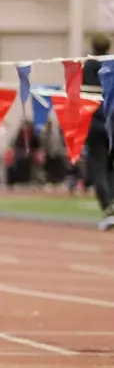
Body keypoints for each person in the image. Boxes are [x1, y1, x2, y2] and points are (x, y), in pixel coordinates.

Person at [83, 34, 113, 231]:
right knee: (111, 168)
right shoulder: (111, 65)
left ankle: (109, 208)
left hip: (94, 122)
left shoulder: (88, 67)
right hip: (111, 121)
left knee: (99, 167)